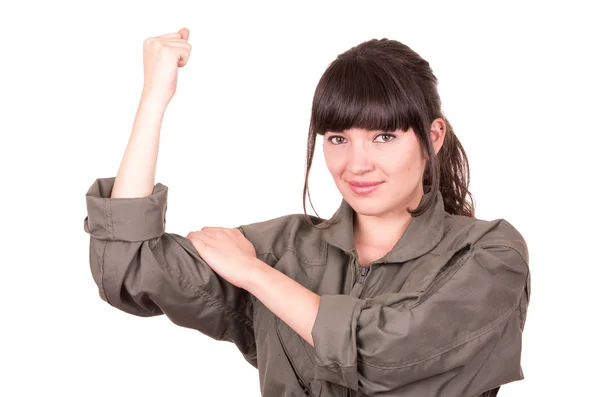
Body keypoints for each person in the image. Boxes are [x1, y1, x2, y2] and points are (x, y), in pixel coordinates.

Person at [83, 27, 531, 397]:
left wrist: (256, 275)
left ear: (433, 137)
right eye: (337, 138)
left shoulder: (489, 256)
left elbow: (384, 355)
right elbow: (127, 268)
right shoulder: (287, 247)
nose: (357, 164)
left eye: (384, 136)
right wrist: (153, 99)